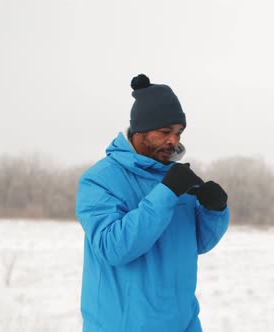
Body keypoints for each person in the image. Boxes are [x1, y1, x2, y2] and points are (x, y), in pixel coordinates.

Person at [75, 74, 230, 332]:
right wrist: (166, 193)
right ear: (141, 130)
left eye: (179, 133)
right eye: (165, 132)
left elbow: (197, 244)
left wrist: (214, 211)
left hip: (183, 324)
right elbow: (113, 247)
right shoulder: (99, 180)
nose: (174, 141)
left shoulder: (176, 178)